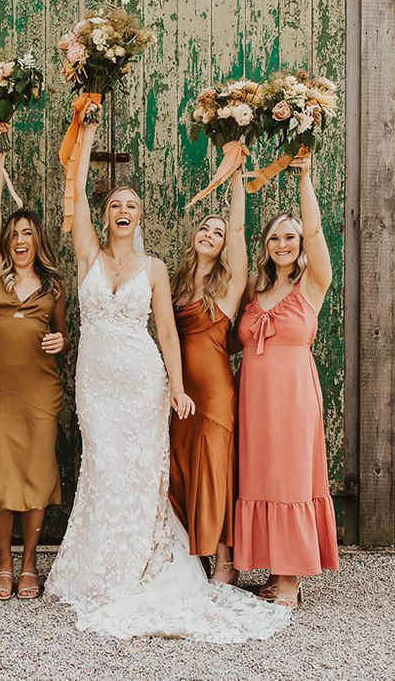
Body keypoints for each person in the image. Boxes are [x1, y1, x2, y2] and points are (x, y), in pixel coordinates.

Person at [43, 117, 289, 642]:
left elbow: (168, 336)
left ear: (141, 217)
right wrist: (83, 142)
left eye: (131, 206)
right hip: (95, 382)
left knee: (138, 475)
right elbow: (80, 199)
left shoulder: (154, 269)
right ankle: (98, 563)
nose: (122, 212)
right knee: (102, 466)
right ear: (107, 217)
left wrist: (176, 387)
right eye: (116, 207)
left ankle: (142, 562)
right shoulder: (88, 255)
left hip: (142, 382)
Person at [232, 152, 340, 607]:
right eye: (275, 237)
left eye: (290, 237)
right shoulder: (255, 290)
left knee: (291, 476)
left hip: (293, 395)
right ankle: (275, 571)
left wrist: (306, 180)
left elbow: (315, 232)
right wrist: (237, 176)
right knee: (262, 477)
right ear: (267, 245)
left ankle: (292, 580)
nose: (283, 244)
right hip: (255, 398)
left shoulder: (312, 285)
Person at [0, 123, 69, 601]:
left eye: (27, 234)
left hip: (40, 393)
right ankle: (3, 563)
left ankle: (30, 564)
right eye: (14, 234)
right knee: (1, 477)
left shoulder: (54, 288)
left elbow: (63, 336)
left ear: (38, 241)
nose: (19, 239)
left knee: (35, 475)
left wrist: (59, 341)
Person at [169, 169, 248, 582]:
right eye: (205, 228)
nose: (210, 234)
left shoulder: (228, 284)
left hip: (215, 393)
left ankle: (225, 563)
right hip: (180, 393)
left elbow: (237, 226)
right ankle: (189, 557)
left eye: (217, 234)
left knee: (213, 471)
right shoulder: (178, 283)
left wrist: (235, 175)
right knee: (180, 469)